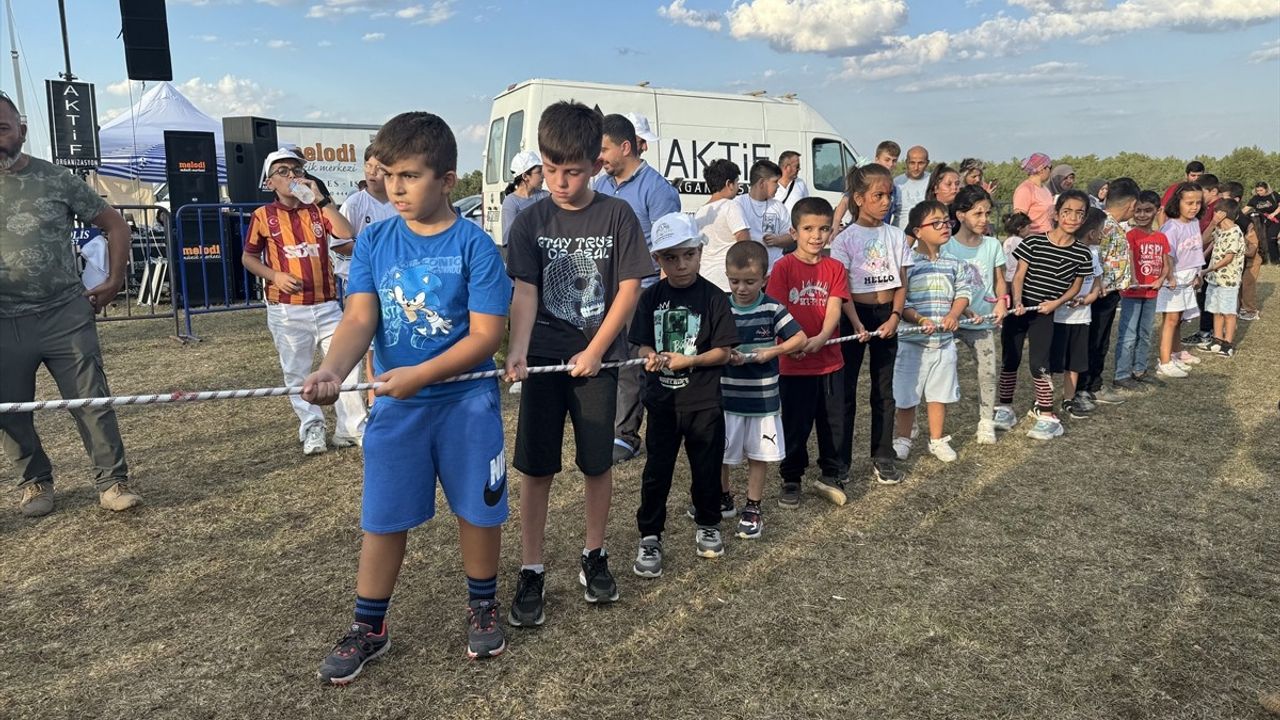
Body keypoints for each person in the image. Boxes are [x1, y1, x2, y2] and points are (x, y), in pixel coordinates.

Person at [303, 111, 514, 680]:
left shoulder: (475, 245)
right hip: (398, 407)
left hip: (467, 404)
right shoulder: (374, 240)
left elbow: (487, 336)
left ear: (447, 180)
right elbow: (358, 319)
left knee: (478, 509)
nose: (395, 187)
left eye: (410, 176)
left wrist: (422, 375)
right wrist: (332, 369)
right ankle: (369, 627)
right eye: (387, 174)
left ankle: (482, 603)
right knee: (384, 517)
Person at [504, 101, 652, 624]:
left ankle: (594, 555)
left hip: (600, 363)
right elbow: (524, 289)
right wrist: (518, 348)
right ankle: (532, 568)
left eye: (572, 171)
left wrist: (595, 350)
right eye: (550, 170)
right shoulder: (530, 219)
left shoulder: (617, 215)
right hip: (544, 362)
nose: (561, 183)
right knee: (537, 467)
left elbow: (629, 287)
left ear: (596, 163)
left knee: (597, 463)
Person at [0, 94, 142, 517]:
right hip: (4, 321)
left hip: (65, 313)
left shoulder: (56, 178)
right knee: (10, 409)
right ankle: (35, 483)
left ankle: (112, 482)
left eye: (2, 128)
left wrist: (113, 280)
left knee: (91, 401)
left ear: (22, 131)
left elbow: (114, 224)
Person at [630, 212, 738, 575]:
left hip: (704, 403)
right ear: (657, 259)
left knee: (706, 469)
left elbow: (723, 351)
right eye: (670, 257)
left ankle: (708, 524)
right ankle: (649, 536)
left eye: (688, 255)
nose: (680, 264)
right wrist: (649, 357)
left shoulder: (713, 297)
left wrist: (688, 360)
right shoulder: (650, 298)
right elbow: (641, 344)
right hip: (662, 403)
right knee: (656, 471)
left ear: (700, 251)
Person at [241, 148, 366, 455]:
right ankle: (312, 426)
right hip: (286, 307)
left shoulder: (318, 210)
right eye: (282, 171)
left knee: (347, 366)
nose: (292, 175)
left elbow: (345, 233)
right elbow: (248, 257)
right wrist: (274, 276)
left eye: (296, 169)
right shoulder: (262, 216)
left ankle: (351, 428)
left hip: (326, 305)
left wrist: (321, 198)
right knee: (296, 371)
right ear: (270, 182)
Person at [593, 113, 682, 466]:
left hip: (639, 292)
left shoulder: (657, 190)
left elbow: (667, 248)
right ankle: (604, 426)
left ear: (625, 147)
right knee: (604, 361)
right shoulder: (599, 186)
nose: (599, 157)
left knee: (631, 366)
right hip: (601, 291)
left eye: (604, 149)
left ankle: (625, 435)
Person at [718, 241, 806, 540]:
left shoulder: (772, 307)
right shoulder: (720, 306)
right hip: (727, 398)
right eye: (735, 281)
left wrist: (771, 352)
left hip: (762, 400)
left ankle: (753, 506)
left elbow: (799, 338)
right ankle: (723, 497)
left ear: (765, 279)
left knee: (759, 454)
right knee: (721, 453)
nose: (741, 288)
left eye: (750, 282)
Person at [768, 197, 853, 505]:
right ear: (794, 232)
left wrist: (820, 338)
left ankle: (831, 473)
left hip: (829, 362)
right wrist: (795, 342)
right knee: (795, 423)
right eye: (808, 229)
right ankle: (791, 477)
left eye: (823, 229)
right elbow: (777, 310)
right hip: (793, 364)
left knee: (833, 422)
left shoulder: (835, 268)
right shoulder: (783, 268)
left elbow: (833, 311)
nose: (816, 236)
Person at [830, 164, 910, 486]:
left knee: (884, 392)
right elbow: (841, 287)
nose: (885, 201)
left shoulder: (896, 236)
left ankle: (883, 456)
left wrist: (894, 316)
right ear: (859, 198)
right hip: (853, 320)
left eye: (889, 195)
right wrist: (855, 322)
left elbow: (902, 281)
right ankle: (840, 461)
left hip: (886, 319)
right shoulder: (844, 240)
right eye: (878, 195)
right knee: (845, 393)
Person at [1000, 190, 1094, 441]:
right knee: (1011, 358)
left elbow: (1075, 286)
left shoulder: (1082, 253)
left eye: (1079, 213)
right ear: (1056, 213)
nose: (1072, 218)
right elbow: (1019, 275)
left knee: (1039, 363)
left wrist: (1056, 303)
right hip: (1021, 309)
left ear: (1084, 218)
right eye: (1067, 211)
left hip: (1046, 311)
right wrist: (1018, 301)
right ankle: (1004, 407)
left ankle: (1047, 415)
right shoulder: (1033, 242)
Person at [891, 201, 974, 463]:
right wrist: (919, 319)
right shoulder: (908, 263)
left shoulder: (955, 263)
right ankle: (903, 438)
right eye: (936, 223)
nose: (945, 227)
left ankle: (937, 440)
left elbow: (963, 293)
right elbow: (902, 302)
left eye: (947, 221)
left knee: (940, 394)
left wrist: (953, 314)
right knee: (906, 394)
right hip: (911, 342)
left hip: (944, 343)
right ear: (917, 231)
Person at [944, 185, 1008, 444]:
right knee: (941, 373)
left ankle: (985, 421)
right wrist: (959, 309)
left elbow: (1000, 279)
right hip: (951, 321)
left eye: (987, 213)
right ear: (960, 215)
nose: (984, 220)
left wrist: (1002, 302)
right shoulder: (946, 245)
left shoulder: (993, 245)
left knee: (988, 371)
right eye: (977, 214)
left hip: (983, 321)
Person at [1078, 177, 1138, 406]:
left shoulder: (1111, 224)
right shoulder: (1105, 225)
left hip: (1108, 294)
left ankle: (1093, 383)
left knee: (1100, 340)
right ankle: (1088, 386)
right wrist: (1097, 285)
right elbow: (1092, 259)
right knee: (1094, 340)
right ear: (1132, 204)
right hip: (1099, 295)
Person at [1113, 190, 1171, 390]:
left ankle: (1140, 370)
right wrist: (1133, 278)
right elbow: (1127, 258)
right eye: (1138, 211)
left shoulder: (1161, 237)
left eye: (1148, 210)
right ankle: (1121, 374)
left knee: (1145, 333)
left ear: (1157, 211)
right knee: (1128, 335)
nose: (1142, 215)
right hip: (1132, 293)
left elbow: (1165, 263)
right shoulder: (1130, 236)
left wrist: (1162, 279)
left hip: (1151, 293)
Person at [1051, 207, 1105, 420]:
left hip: (1081, 318)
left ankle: (1068, 398)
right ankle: (1043, 398)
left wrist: (1086, 299)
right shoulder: (1064, 251)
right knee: (1053, 361)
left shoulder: (1093, 255)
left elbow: (1097, 286)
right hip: (1057, 317)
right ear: (1092, 233)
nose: (1102, 235)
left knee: (1074, 362)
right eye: (1101, 231)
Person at [1154, 183, 1206, 378]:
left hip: (1188, 277)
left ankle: (1175, 354)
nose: (1194, 207)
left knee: (1179, 319)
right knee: (1170, 319)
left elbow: (1196, 250)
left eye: (1198, 203)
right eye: (1189, 203)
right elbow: (1166, 254)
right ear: (1178, 202)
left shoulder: (1193, 223)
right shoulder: (1171, 226)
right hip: (1174, 278)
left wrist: (1198, 273)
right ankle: (1164, 361)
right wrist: (1169, 276)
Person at [337, 146, 397, 292]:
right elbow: (339, 244)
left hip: (396, 281)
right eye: (368, 165)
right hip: (361, 281)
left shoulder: (402, 203)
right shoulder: (353, 204)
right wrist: (377, 249)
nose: (372, 172)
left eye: (379, 168)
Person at [695, 159, 749, 291]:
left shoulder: (700, 212)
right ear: (729, 184)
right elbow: (744, 241)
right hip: (729, 282)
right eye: (737, 182)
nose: (738, 187)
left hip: (705, 279)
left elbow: (697, 250)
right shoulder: (731, 206)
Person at [1202, 198, 1245, 357]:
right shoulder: (1219, 230)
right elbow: (1204, 240)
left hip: (1228, 280)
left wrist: (1207, 270)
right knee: (1216, 309)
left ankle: (1228, 343)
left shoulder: (1235, 232)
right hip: (1214, 279)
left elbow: (1228, 258)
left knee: (1228, 311)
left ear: (1223, 214)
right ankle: (1217, 339)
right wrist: (1213, 223)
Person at [736, 159, 795, 271]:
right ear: (762, 183)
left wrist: (778, 240)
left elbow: (791, 236)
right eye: (775, 182)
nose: (778, 187)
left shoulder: (778, 207)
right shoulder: (738, 204)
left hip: (774, 273)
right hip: (748, 273)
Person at [835, 140, 899, 229]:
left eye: (894, 161)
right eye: (887, 160)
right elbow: (845, 202)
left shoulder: (894, 187)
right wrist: (835, 224)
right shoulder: (866, 179)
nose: (891, 164)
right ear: (877, 159)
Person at [501, 149, 548, 242]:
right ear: (525, 176)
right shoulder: (511, 202)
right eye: (539, 172)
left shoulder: (545, 196)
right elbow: (510, 240)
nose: (543, 176)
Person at [1013, 153, 1055, 234]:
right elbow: (1019, 221)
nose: (1050, 171)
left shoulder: (1045, 189)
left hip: (1048, 237)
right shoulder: (1025, 190)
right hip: (1033, 239)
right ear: (1042, 169)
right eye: (1050, 168)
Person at [892, 145, 930, 231]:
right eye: (912, 163)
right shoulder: (896, 183)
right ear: (906, 162)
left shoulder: (934, 181)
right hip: (900, 236)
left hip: (926, 238)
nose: (916, 168)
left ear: (927, 163)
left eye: (921, 163)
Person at [1245, 181, 1280, 264]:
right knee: (1261, 241)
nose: (1259, 192)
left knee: (1271, 238)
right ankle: (1263, 260)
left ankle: (1275, 260)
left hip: (1274, 220)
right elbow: (1246, 209)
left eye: (1261, 190)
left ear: (1266, 189)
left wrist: (1273, 214)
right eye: (1257, 190)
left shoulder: (1274, 195)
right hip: (1261, 222)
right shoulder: (1255, 198)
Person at [773, 150, 810, 215]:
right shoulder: (771, 184)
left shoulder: (800, 183)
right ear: (787, 167)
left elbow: (807, 208)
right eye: (797, 166)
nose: (799, 169)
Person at [1001, 212, 1033, 284]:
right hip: (1017, 277)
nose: (1030, 230)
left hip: (1008, 277)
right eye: (1029, 227)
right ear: (1020, 228)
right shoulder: (1019, 242)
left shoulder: (1008, 241)